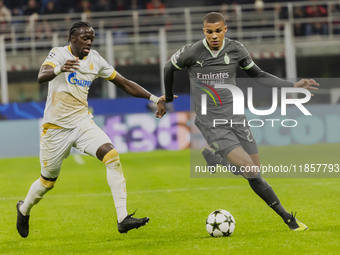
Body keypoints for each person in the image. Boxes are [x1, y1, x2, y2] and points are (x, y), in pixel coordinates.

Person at [163, 12, 319, 231]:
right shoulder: (191, 52)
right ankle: (288, 218)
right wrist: (168, 99)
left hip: (237, 118)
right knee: (250, 170)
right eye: (209, 32)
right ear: (204, 32)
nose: (214, 36)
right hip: (211, 123)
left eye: (218, 30)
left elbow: (259, 75)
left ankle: (219, 161)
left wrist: (291, 86)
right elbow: (168, 68)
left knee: (254, 171)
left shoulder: (236, 49)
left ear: (225, 29)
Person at [16, 21, 166, 238]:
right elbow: (42, 75)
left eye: (92, 38)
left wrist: (154, 98)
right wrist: (60, 68)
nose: (89, 42)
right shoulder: (58, 54)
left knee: (111, 155)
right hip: (56, 128)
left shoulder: (95, 59)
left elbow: (124, 83)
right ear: (72, 38)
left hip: (82, 123)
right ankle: (24, 209)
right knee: (47, 182)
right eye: (85, 38)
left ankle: (123, 218)